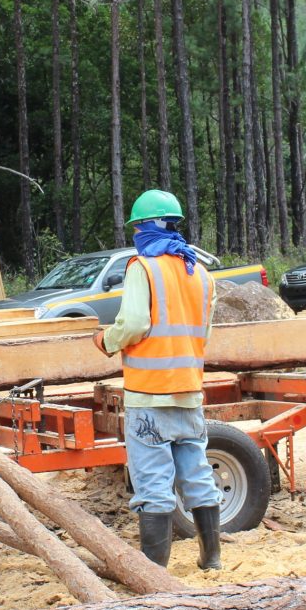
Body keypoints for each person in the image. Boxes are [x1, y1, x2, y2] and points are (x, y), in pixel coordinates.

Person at [93, 189, 222, 570]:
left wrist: (106, 340)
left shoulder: (142, 267)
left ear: (146, 227)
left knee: (153, 487)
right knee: (197, 475)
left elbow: (133, 323)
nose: (135, 234)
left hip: (149, 398)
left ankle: (154, 574)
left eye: (137, 227)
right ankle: (211, 560)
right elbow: (204, 333)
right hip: (189, 393)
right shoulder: (199, 271)